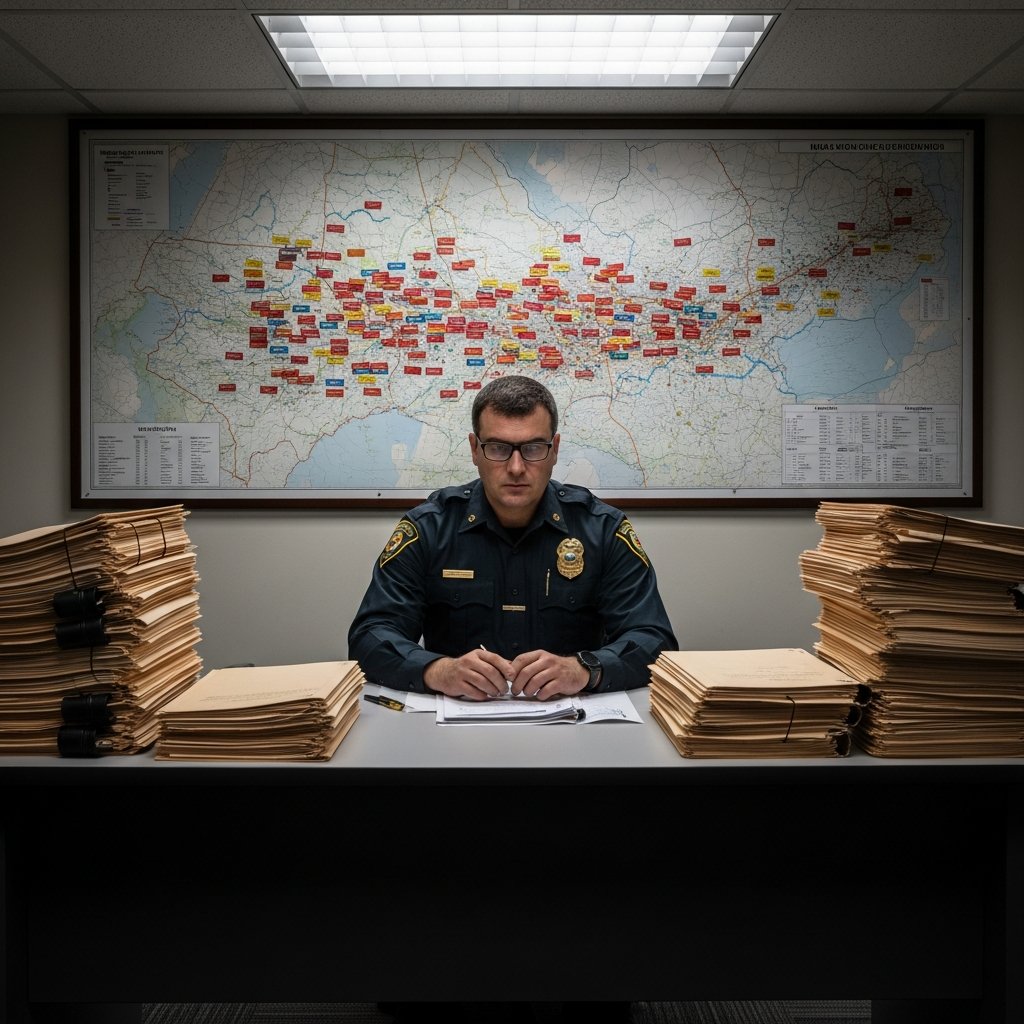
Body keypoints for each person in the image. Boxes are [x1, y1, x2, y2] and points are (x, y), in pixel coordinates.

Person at [348, 374, 677, 700]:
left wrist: (586, 669)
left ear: (555, 450)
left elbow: (655, 640)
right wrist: (437, 670)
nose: (517, 467)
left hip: (575, 728)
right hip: (456, 731)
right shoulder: (429, 529)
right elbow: (369, 637)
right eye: (498, 448)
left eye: (534, 448)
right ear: (475, 450)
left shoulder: (602, 529)